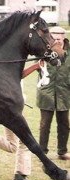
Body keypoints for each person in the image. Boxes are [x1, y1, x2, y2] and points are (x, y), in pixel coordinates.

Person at [37, 26, 70, 160]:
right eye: (54, 38)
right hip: (46, 93)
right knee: (45, 124)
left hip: (64, 93)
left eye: (59, 38)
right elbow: (37, 67)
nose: (57, 40)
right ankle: (42, 151)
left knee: (64, 124)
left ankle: (62, 151)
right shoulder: (44, 52)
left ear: (64, 38)